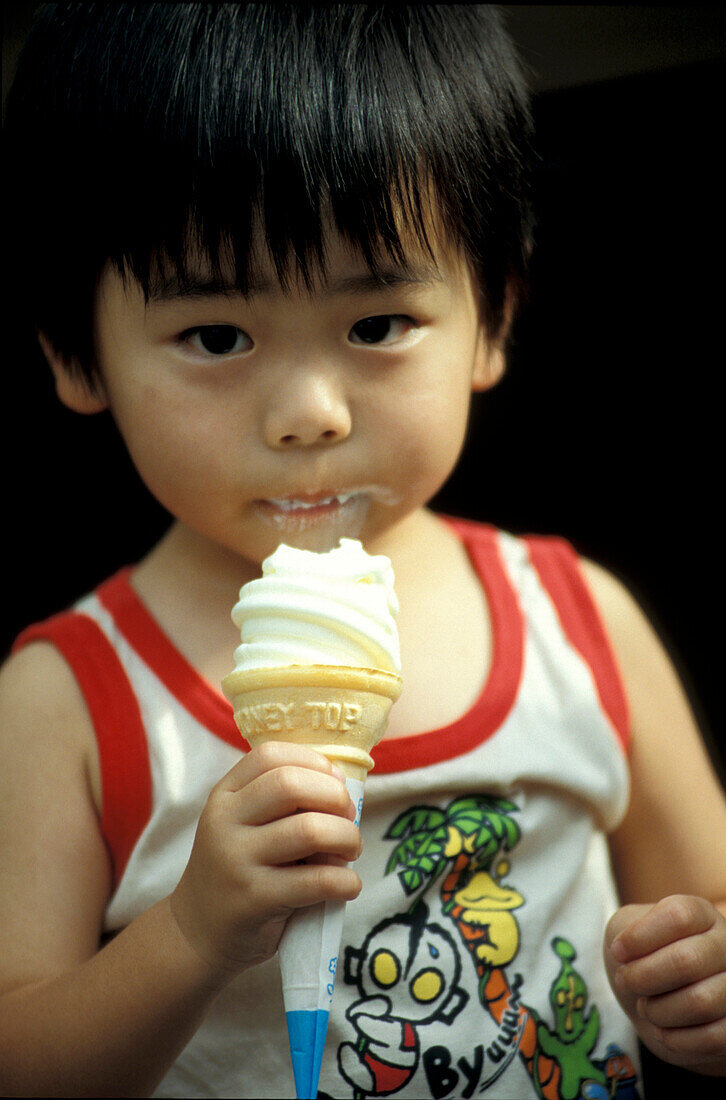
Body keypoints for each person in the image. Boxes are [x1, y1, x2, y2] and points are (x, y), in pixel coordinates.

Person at [1, 5, 725, 1097]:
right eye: (216, 336)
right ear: (75, 350)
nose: (309, 412)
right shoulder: (67, 701)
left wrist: (699, 977)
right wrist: (189, 934)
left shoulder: (577, 621)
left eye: (378, 323)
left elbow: (709, 896)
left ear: (491, 321)